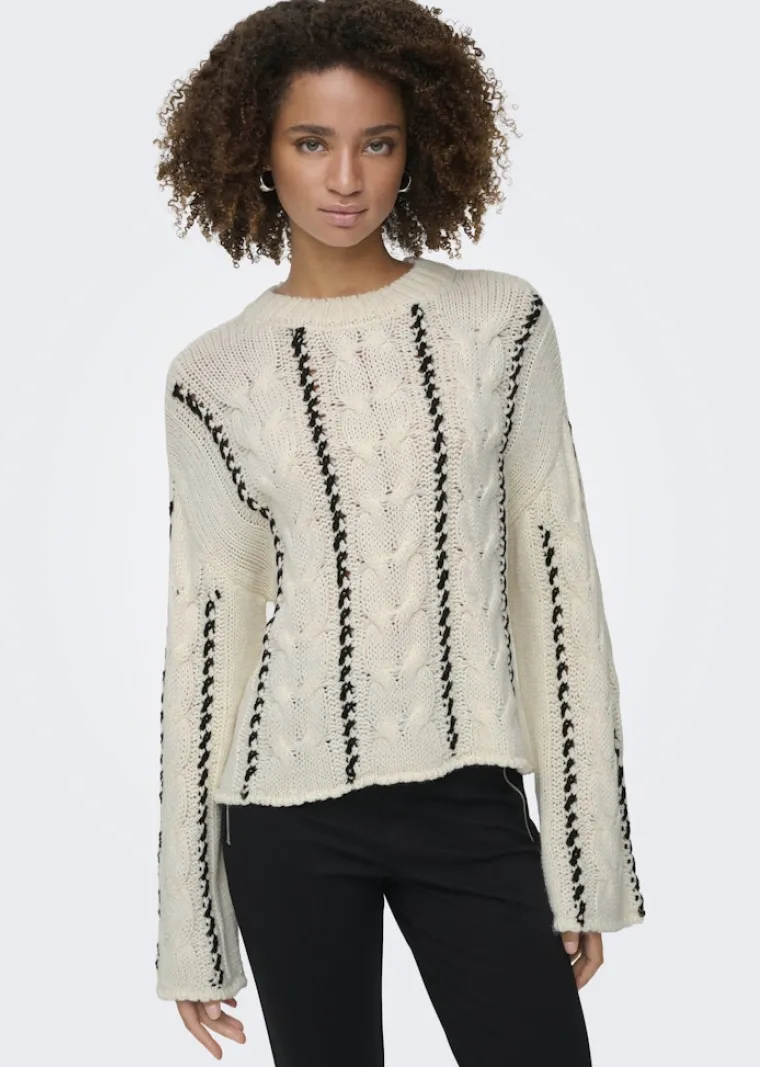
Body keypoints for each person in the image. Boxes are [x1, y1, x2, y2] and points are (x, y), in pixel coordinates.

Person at [152, 1, 646, 1063]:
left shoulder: (500, 323)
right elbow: (206, 643)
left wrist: (582, 857)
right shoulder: (211, 378)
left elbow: (555, 588)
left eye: (376, 142)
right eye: (311, 142)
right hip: (285, 814)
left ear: (419, 148)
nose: (345, 177)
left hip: (469, 800)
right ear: (257, 153)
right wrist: (191, 926)